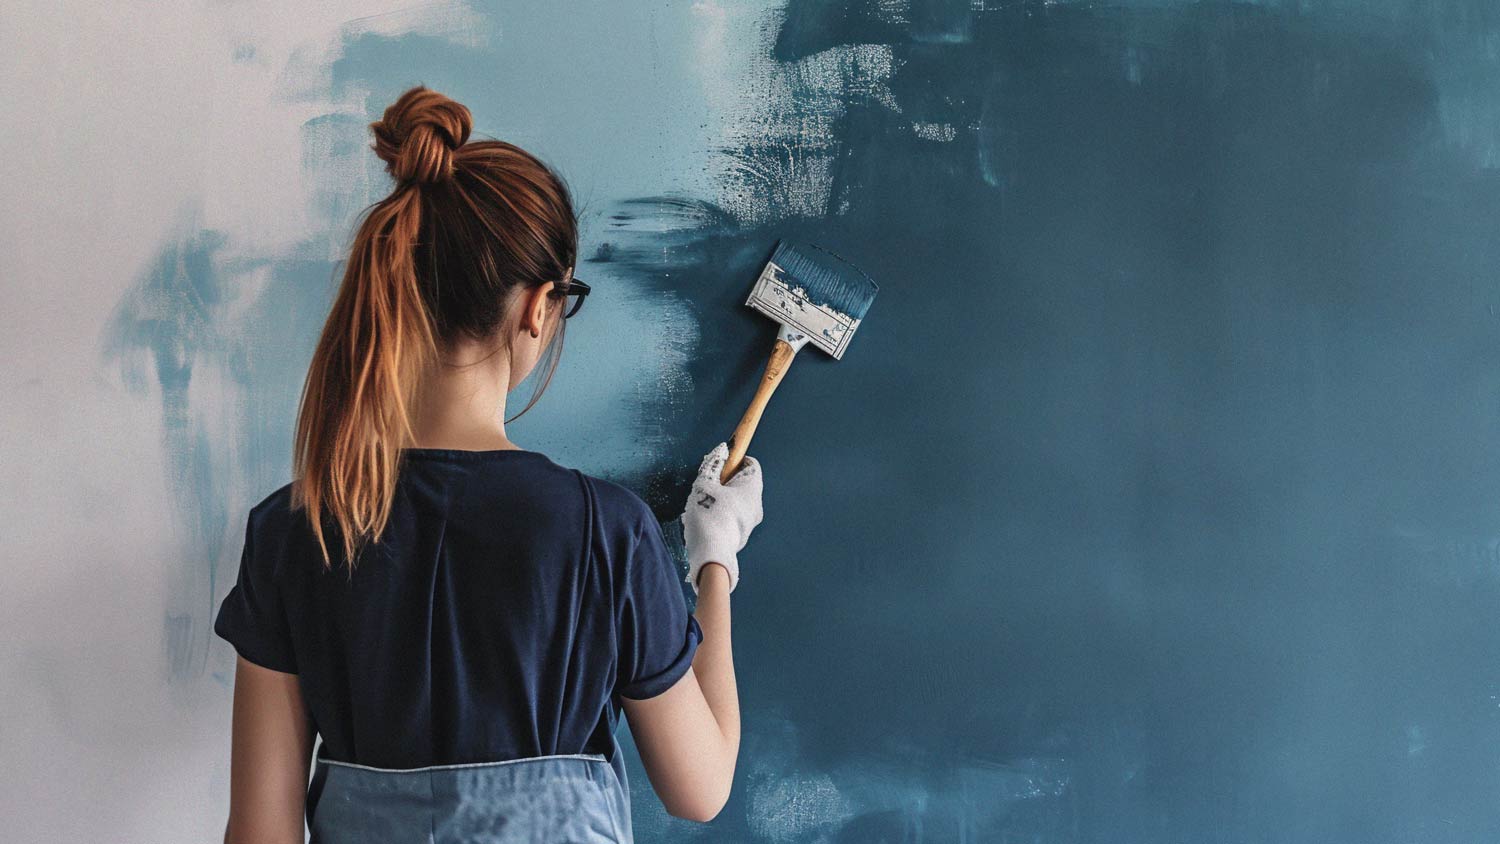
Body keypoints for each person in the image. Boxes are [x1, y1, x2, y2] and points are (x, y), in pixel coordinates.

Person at [212, 85, 762, 843]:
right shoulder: (610, 534)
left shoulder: (294, 530)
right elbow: (699, 789)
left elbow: (261, 835)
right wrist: (715, 562)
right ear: (538, 307)